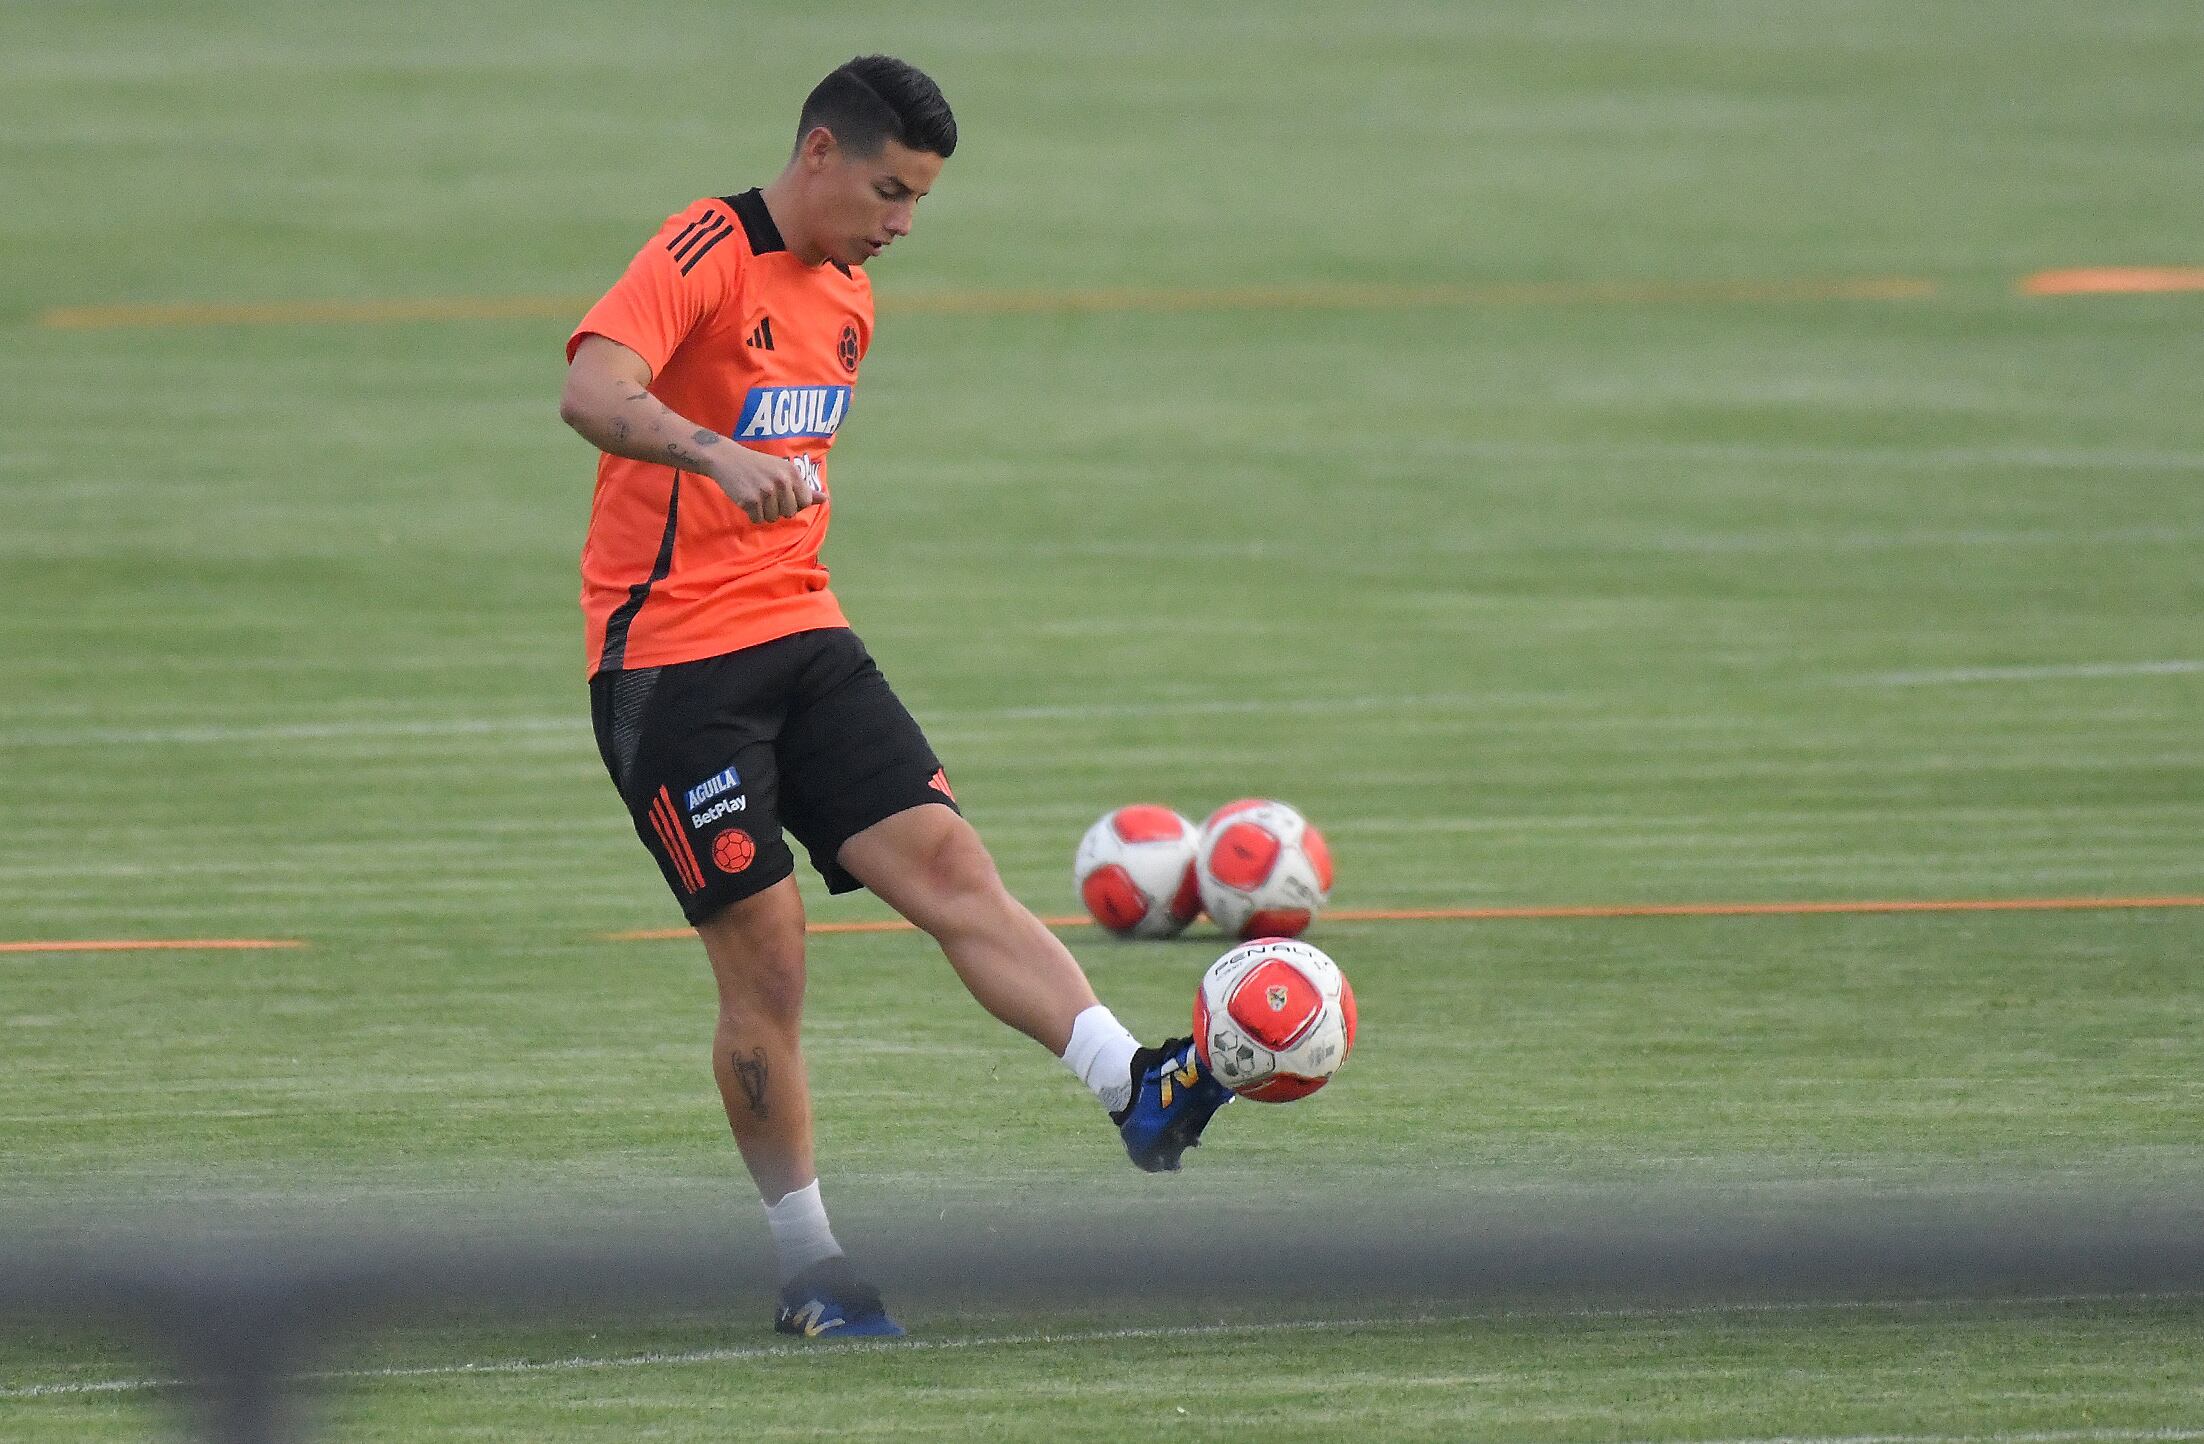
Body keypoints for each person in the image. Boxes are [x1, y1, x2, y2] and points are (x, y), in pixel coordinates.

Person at [556, 55, 1231, 1339]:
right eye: (890, 190)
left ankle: (1133, 1084)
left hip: (803, 632)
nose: (904, 223)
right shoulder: (705, 248)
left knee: (953, 868)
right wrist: (711, 452)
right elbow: (591, 385)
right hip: (671, 667)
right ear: (819, 151)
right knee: (768, 961)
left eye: (920, 199)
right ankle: (808, 1266)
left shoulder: (852, 297)